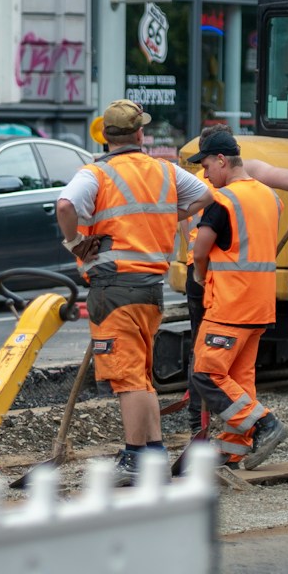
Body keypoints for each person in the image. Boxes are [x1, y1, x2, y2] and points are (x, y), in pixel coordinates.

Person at [54, 99, 211, 487]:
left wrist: (74, 242)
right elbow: (205, 196)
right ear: (140, 134)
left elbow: (64, 205)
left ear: (105, 135)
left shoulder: (96, 174)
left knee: (126, 378)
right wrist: (163, 218)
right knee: (140, 376)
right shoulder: (165, 171)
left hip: (114, 287)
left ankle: (135, 456)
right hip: (150, 288)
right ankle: (154, 454)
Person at [178, 124, 288, 436]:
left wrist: (200, 275)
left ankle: (261, 424)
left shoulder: (219, 197)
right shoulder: (269, 197)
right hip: (260, 303)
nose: (205, 171)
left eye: (208, 164)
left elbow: (199, 248)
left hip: (227, 299)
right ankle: (236, 448)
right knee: (241, 376)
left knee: (206, 370)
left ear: (222, 160)